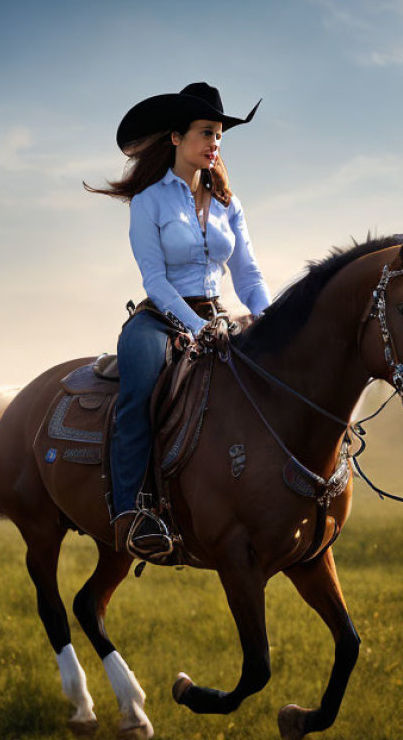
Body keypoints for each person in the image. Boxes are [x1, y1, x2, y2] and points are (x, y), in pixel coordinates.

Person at [86, 82, 270, 556]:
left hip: (220, 316)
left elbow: (248, 275)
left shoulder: (230, 204)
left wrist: (267, 320)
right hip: (162, 318)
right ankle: (133, 509)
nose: (215, 143)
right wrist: (196, 325)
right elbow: (155, 280)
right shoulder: (150, 202)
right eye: (207, 132)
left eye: (220, 136)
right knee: (141, 385)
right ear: (176, 138)